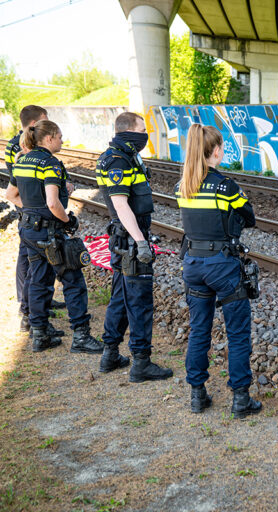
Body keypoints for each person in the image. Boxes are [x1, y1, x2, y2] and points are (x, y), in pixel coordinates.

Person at [175, 124, 262, 418]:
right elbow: (249, 217)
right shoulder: (226, 186)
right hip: (223, 267)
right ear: (215, 151)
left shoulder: (183, 186)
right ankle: (241, 399)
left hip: (193, 266)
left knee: (199, 330)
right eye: (222, 147)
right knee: (237, 333)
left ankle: (198, 395)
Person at [6, 121, 102, 353]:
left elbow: (11, 194)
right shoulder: (50, 164)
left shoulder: (22, 161)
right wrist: (67, 221)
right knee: (73, 280)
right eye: (59, 137)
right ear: (48, 139)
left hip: (28, 230)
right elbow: (52, 202)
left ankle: (40, 334)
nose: (62, 140)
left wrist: (30, 211)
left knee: (38, 279)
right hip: (49, 232)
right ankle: (81, 336)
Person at [96, 112, 172, 381]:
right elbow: (120, 204)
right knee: (139, 301)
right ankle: (141, 362)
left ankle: (110, 354)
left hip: (123, 239)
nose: (145, 134)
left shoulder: (126, 155)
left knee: (119, 297)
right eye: (141, 129)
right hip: (129, 242)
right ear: (128, 131)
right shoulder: (118, 160)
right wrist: (141, 241)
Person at [4, 105, 66, 333]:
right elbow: (18, 186)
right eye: (43, 122)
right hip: (32, 214)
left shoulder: (26, 151)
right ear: (34, 126)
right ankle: (27, 310)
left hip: (31, 212)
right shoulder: (18, 150)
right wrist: (34, 209)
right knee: (30, 263)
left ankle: (38, 308)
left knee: (38, 268)